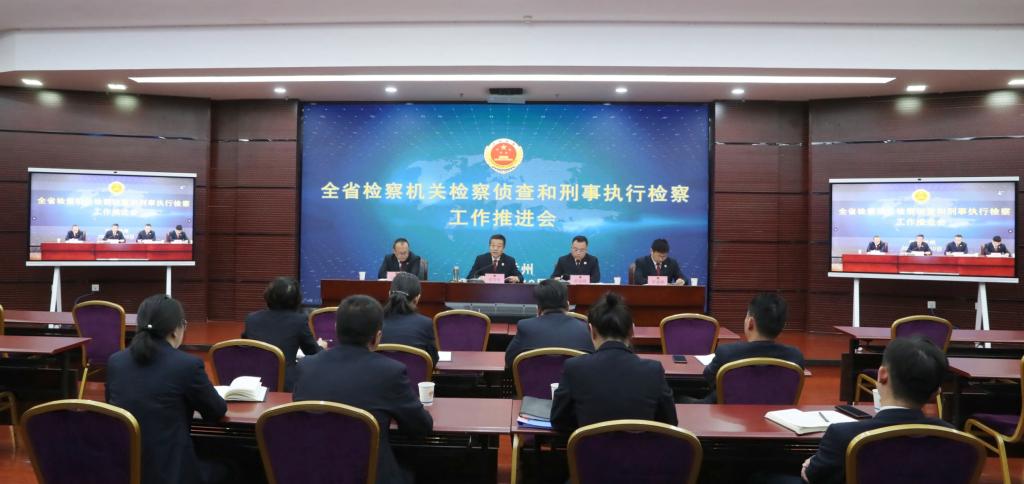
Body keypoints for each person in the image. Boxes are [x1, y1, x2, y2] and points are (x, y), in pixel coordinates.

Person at [293, 295, 433, 484]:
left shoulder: (306, 366)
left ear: (336, 328)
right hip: (369, 476)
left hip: (312, 473)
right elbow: (420, 427)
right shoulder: (390, 372)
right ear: (377, 337)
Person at [106, 294, 227, 484]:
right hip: (170, 473)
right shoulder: (187, 365)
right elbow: (216, 410)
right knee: (233, 466)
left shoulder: (116, 362)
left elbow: (112, 407)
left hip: (125, 470)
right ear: (175, 330)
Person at [800, 337, 950, 484]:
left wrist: (809, 467)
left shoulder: (842, 435)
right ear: (936, 392)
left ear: (882, 375)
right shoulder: (951, 437)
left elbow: (815, 477)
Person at [551, 293, 676, 433]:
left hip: (590, 447)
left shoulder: (574, 368)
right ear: (632, 331)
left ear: (591, 331)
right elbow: (670, 422)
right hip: (640, 447)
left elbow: (558, 421)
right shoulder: (654, 370)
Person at [693, 293, 805, 403]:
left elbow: (708, 377)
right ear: (783, 326)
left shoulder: (726, 353)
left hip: (729, 414)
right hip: (774, 414)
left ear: (750, 322)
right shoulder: (795, 357)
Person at [241, 277, 323, 391]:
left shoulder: (251, 319)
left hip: (254, 383)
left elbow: (245, 348)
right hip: (284, 385)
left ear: (268, 295)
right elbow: (312, 352)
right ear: (296, 299)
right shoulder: (298, 321)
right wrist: (321, 347)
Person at [504, 279, 595, 368]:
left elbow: (509, 361)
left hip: (536, 378)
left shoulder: (525, 327)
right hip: (574, 378)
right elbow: (594, 361)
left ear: (538, 308)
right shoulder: (584, 328)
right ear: (567, 306)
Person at [380, 272, 439, 364]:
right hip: (415, 374)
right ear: (417, 298)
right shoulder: (426, 323)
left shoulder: (375, 321)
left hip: (380, 373)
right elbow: (432, 361)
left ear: (389, 294)